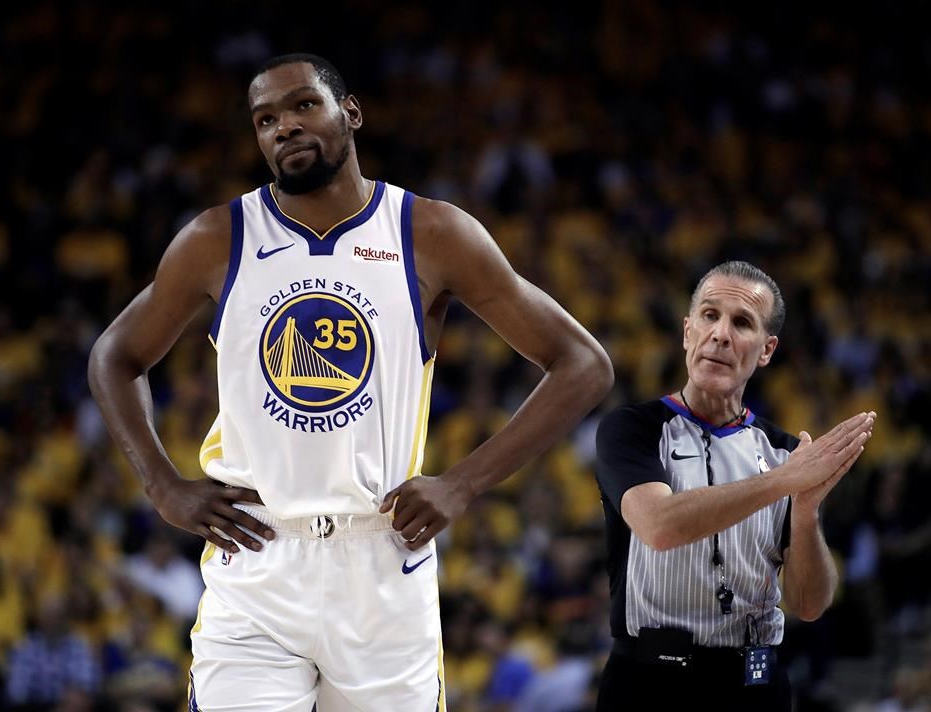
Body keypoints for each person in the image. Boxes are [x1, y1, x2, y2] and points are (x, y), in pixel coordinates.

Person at [88, 53, 613, 712]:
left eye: (304, 105)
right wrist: (161, 485)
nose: (284, 127)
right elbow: (114, 354)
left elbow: (583, 364)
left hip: (382, 559)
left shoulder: (431, 232)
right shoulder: (216, 238)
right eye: (266, 119)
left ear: (351, 113)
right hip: (257, 556)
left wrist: (462, 482)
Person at [592, 261, 875, 711]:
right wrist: (781, 482)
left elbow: (809, 603)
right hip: (649, 684)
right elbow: (659, 526)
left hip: (753, 687)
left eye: (742, 322)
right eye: (709, 315)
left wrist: (804, 511)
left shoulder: (785, 452)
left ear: (766, 350)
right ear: (688, 332)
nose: (721, 334)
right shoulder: (631, 429)